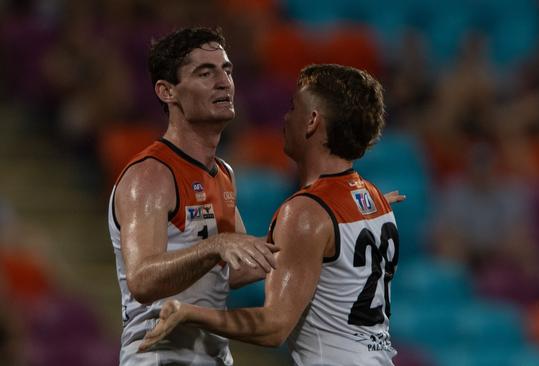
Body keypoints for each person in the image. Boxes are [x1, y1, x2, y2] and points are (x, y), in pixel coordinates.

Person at [139, 64, 402, 365]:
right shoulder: (374, 199)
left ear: (312, 121)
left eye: (293, 107)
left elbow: (273, 327)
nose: (286, 118)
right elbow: (307, 255)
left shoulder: (305, 211)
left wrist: (190, 313)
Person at [108, 27, 279, 365]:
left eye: (226, 70)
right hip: (160, 354)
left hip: (212, 354)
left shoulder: (223, 172)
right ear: (167, 91)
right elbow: (141, 280)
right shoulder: (151, 174)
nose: (223, 82)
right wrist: (214, 246)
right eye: (205, 72)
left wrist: (329, 222)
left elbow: (237, 267)